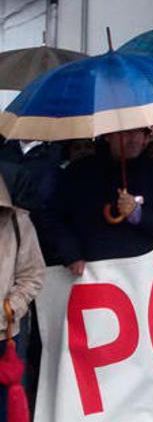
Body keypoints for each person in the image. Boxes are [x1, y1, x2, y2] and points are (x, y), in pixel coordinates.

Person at [44, 128, 153, 273]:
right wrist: (71, 254)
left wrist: (140, 215)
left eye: (138, 132)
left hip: (149, 276)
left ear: (146, 137)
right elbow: (54, 218)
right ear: (108, 135)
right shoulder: (78, 173)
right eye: (125, 132)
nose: (132, 139)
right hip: (93, 275)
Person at [0, 176, 44, 420]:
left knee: (6, 408)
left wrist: (11, 306)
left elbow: (33, 273)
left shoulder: (18, 222)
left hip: (5, 332)